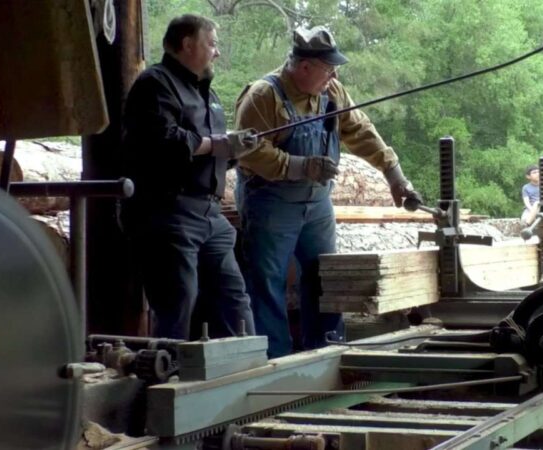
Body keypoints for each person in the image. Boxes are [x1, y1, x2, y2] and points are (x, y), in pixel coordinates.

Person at [234, 26, 422, 358]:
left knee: (324, 278)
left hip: (317, 203)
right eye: (328, 67)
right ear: (304, 66)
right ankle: (273, 364)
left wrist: (395, 176)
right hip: (271, 202)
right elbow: (249, 151)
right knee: (267, 283)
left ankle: (328, 354)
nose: (334, 73)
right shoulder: (264, 96)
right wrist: (300, 166)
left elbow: (360, 129)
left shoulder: (331, 91)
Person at [121, 14, 258, 340]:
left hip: (210, 213)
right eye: (212, 43)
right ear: (187, 44)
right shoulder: (154, 83)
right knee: (178, 302)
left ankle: (246, 371)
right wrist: (217, 144)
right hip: (168, 211)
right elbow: (162, 141)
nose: (217, 52)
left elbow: (212, 155)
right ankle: (164, 380)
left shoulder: (209, 95)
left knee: (234, 300)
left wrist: (235, 150)